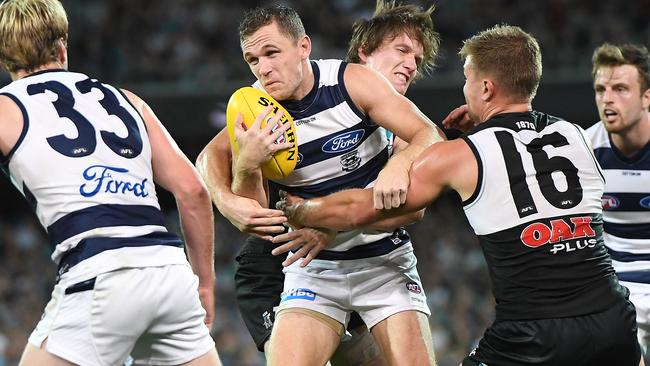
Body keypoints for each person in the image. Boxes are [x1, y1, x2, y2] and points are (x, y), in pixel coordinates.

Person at [279, 25, 642, 366]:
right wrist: (487, 123)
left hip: (533, 332)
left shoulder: (459, 155)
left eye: (467, 80)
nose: (463, 89)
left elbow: (363, 209)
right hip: (613, 321)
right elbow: (524, 153)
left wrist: (301, 211)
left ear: (485, 89)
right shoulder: (579, 135)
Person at [196, 2, 441, 364]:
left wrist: (398, 165)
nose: (264, 68)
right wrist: (238, 183)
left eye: (271, 53)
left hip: (384, 265)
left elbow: (429, 136)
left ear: (303, 47)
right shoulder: (256, 107)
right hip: (313, 269)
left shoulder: (352, 83)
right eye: (253, 60)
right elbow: (213, 161)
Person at [0, 1, 222, 365]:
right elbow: (193, 190)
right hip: (169, 274)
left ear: (5, 59)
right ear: (61, 47)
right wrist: (205, 285)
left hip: (100, 275)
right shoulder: (126, 100)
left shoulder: (6, 107)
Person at [587, 43, 650, 362]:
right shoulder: (583, 150)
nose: (607, 99)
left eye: (621, 89)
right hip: (616, 296)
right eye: (601, 89)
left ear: (646, 97)